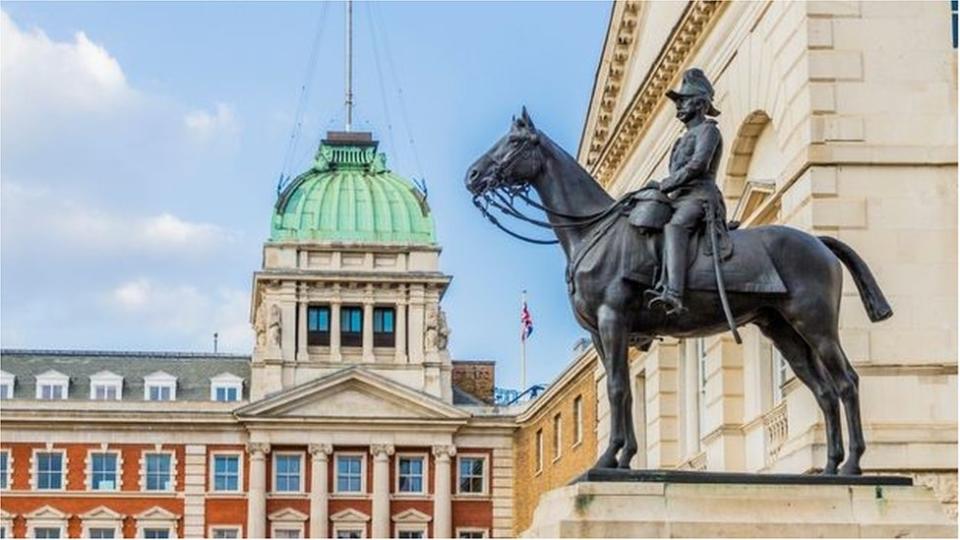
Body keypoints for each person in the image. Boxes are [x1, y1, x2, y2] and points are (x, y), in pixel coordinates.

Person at [643, 68, 725, 315]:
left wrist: (665, 185)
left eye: (684, 101)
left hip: (700, 198)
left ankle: (674, 295)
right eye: (678, 102)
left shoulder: (708, 131)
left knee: (675, 227)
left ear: (700, 104)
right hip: (679, 199)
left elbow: (698, 166)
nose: (678, 106)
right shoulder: (682, 139)